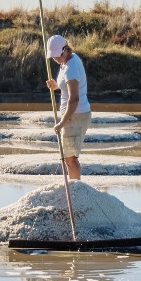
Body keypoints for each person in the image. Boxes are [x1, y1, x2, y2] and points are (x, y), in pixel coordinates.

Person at [45, 33, 91, 181]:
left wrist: (62, 122)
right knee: (69, 157)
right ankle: (75, 188)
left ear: (65, 49)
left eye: (57, 55)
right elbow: (66, 87)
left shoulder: (71, 67)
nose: (56, 59)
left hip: (75, 116)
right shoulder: (66, 62)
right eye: (53, 57)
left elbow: (74, 99)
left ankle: (76, 190)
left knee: (70, 158)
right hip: (72, 116)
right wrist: (56, 86)